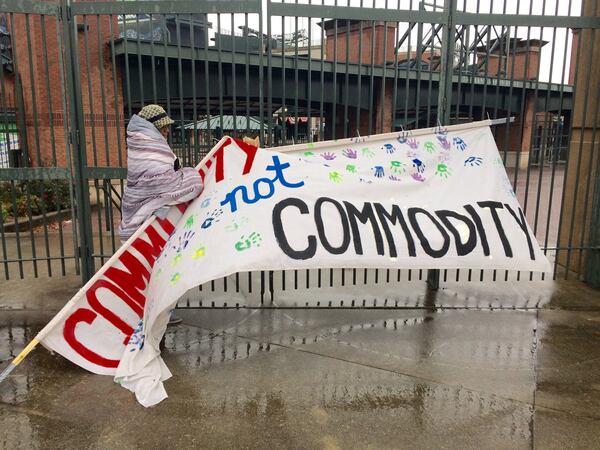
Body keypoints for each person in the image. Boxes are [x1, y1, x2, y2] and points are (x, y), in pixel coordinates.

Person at [119, 104, 203, 325]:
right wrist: (191, 176)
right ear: (153, 127)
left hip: (144, 212)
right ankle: (151, 314)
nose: (166, 132)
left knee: (151, 267)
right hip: (144, 215)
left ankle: (154, 312)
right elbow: (160, 184)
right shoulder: (147, 146)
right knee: (150, 267)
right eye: (163, 127)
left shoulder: (147, 144)